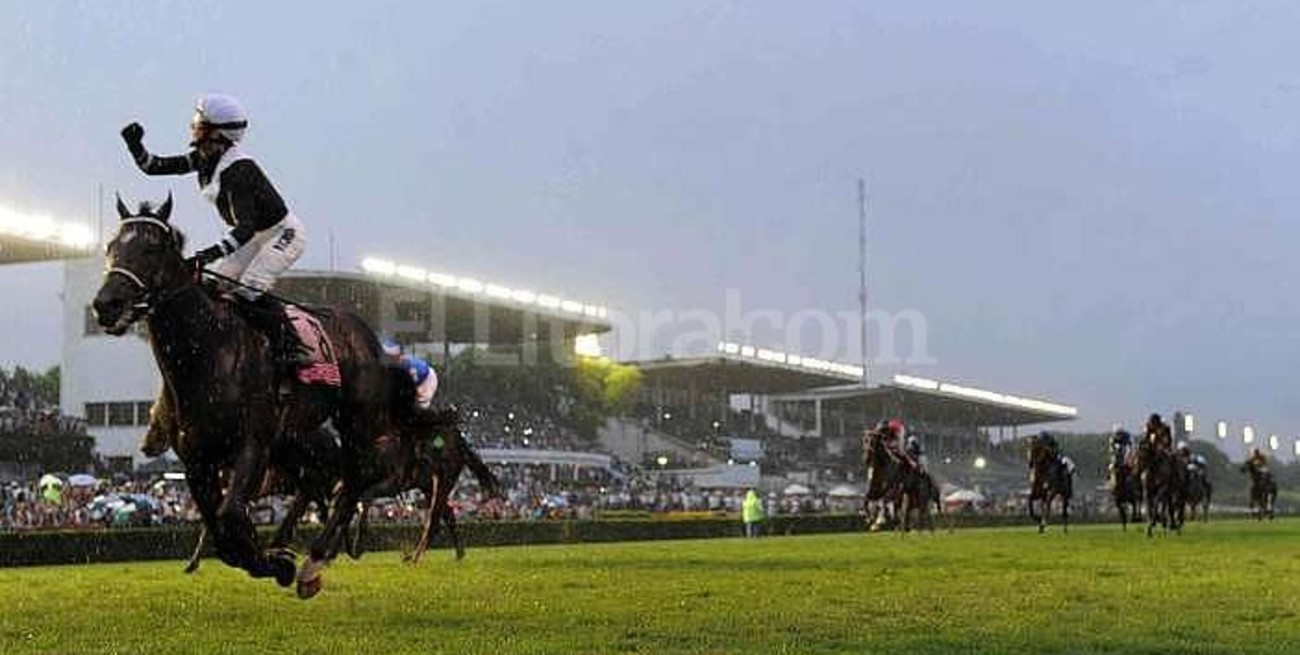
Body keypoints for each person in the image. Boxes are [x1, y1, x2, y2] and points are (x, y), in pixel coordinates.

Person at [123, 94, 310, 456]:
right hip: (252, 235)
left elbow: (246, 227)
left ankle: (291, 348)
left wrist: (208, 253)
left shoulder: (240, 170)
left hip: (280, 234)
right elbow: (155, 166)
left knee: (251, 287)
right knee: (212, 287)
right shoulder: (206, 158)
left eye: (200, 126)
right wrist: (135, 146)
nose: (193, 130)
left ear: (219, 136)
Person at [381, 339, 439, 410]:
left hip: (427, 379)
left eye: (391, 357)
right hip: (418, 378)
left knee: (419, 407)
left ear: (398, 357)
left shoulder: (406, 368)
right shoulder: (388, 366)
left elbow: (412, 388)